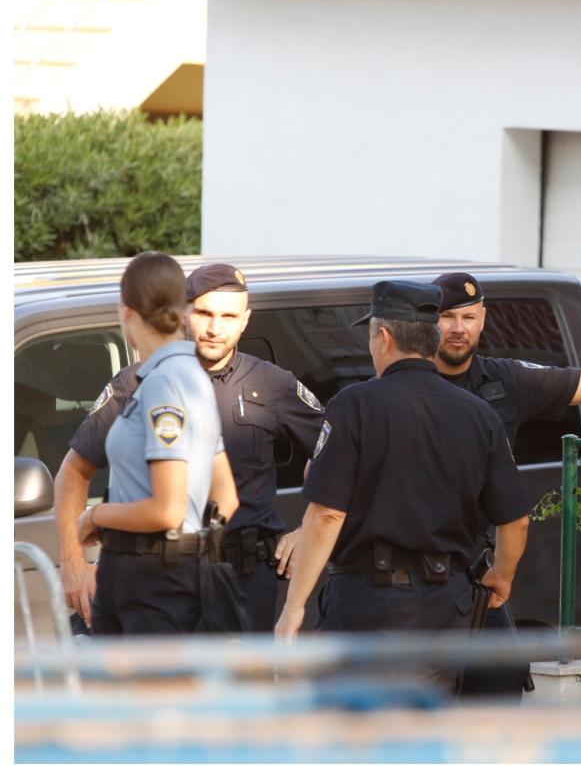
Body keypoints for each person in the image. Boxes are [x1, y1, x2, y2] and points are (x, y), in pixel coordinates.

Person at [275, 280, 531, 681]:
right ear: (432, 339)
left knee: (353, 733)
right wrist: (502, 576)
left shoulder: (354, 404)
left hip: (365, 602)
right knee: (422, 733)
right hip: (445, 606)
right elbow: (515, 519)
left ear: (383, 337)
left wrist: (294, 607)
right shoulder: (479, 414)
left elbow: (326, 514)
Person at [56, 262, 325, 634]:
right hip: (164, 569)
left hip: (240, 575)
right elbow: (74, 469)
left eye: (229, 316)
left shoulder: (271, 383)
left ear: (246, 320)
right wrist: (73, 563)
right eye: (204, 313)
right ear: (183, 311)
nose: (216, 328)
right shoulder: (139, 382)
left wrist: (307, 531)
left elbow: (343, 454)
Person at [429, 270, 581, 697]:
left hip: (472, 568)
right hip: (414, 567)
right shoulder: (405, 382)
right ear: (426, 321)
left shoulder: (504, 380)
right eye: (447, 317)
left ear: (484, 319)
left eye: (469, 318)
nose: (458, 329)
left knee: (500, 680)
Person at [74, 252, 239, 635]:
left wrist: (95, 517)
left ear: (126, 311)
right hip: (156, 573)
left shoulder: (165, 384)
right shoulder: (185, 376)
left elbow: (167, 509)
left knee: (153, 695)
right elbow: (226, 496)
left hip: (152, 580)